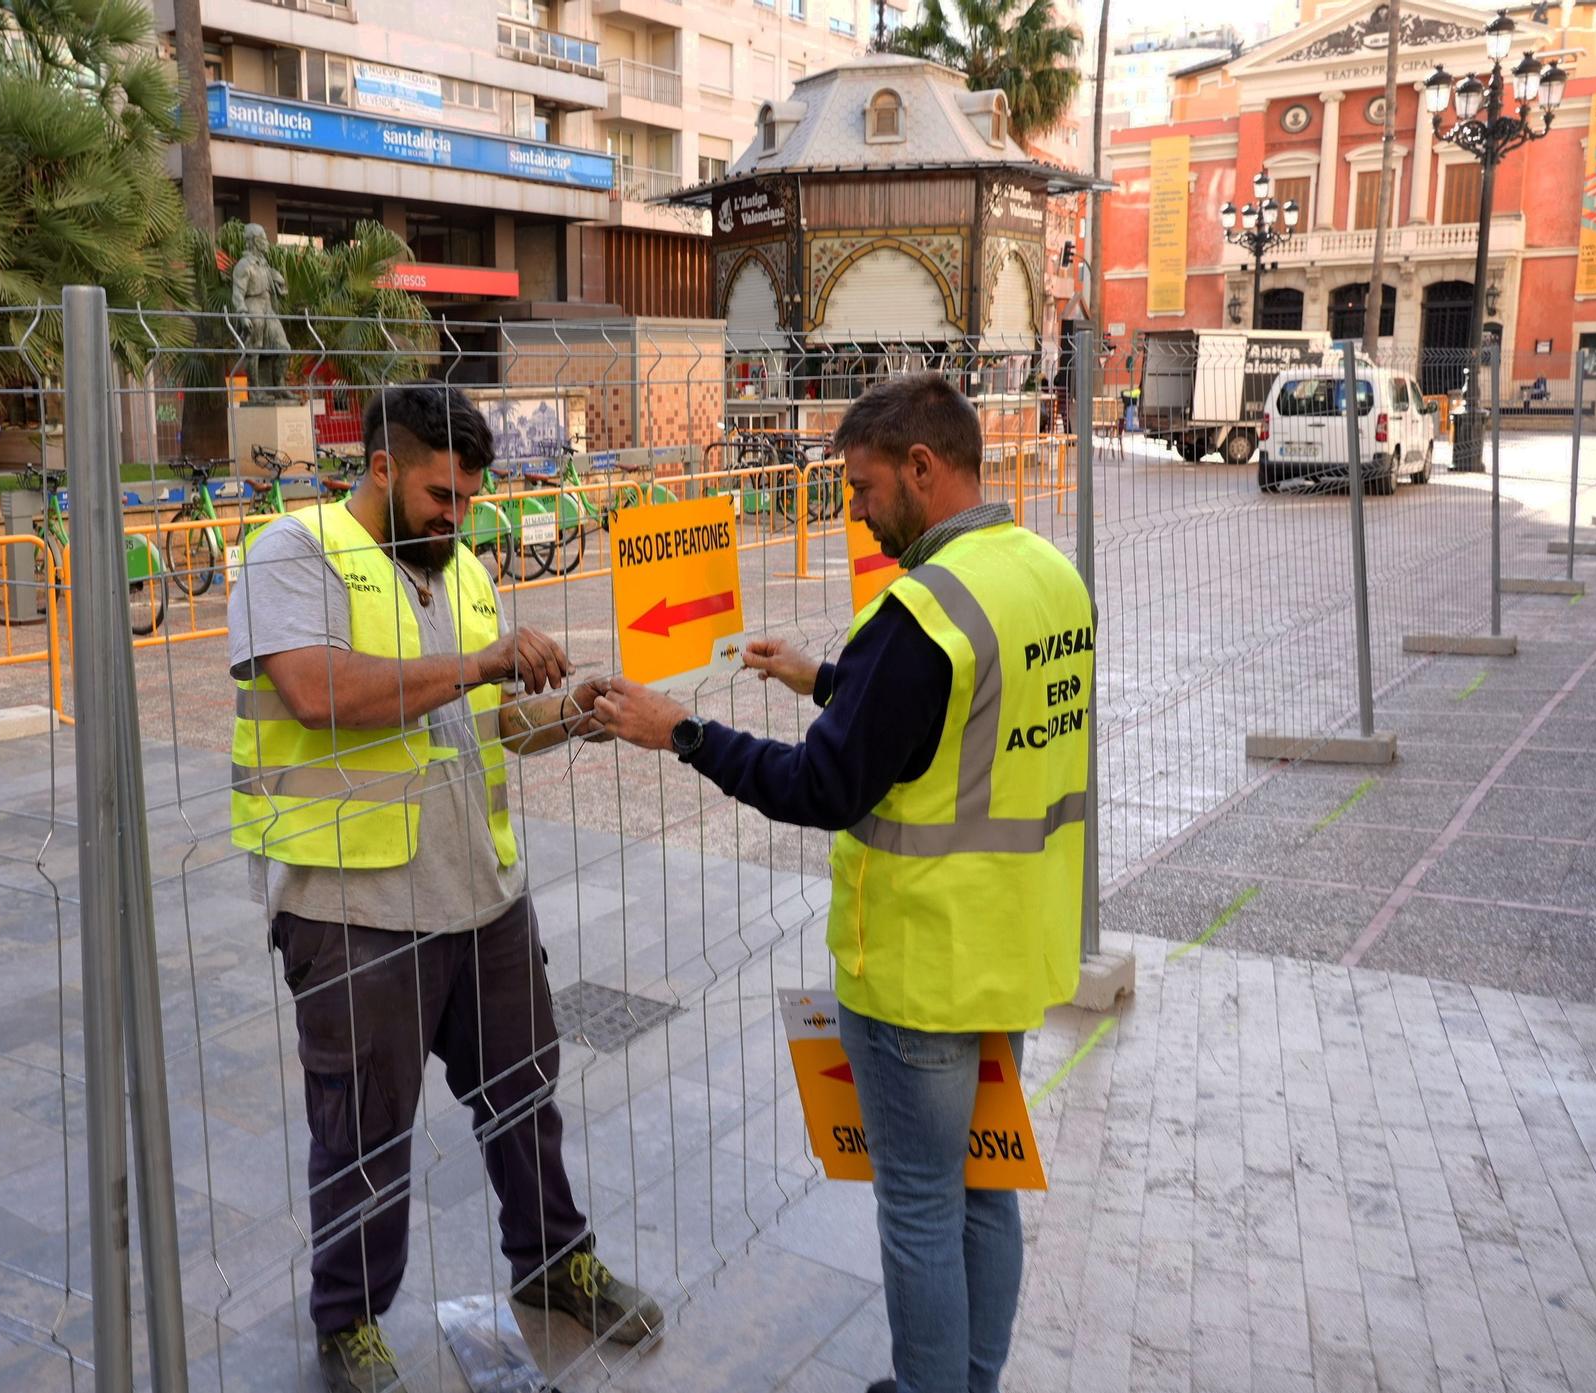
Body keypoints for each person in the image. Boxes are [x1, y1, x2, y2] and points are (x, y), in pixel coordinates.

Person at [592, 373, 1094, 1393]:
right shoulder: (1045, 574)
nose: (855, 513)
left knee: (917, 1202)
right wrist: (822, 678)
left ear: (920, 465)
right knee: (982, 1190)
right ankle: (970, 1380)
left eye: (862, 488)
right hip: (1011, 940)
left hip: (917, 962)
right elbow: (954, 717)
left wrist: (679, 731)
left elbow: (823, 783)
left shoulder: (918, 611)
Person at [226, 384, 662, 1393]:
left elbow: (474, 724)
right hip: (352, 909)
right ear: (381, 466)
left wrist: (567, 715)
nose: (455, 513)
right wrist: (478, 663)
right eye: (438, 492)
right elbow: (313, 690)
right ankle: (350, 1322)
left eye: (468, 495)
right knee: (363, 1129)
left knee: (525, 1098)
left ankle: (555, 1264)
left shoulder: (457, 565)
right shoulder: (295, 552)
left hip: (481, 895)